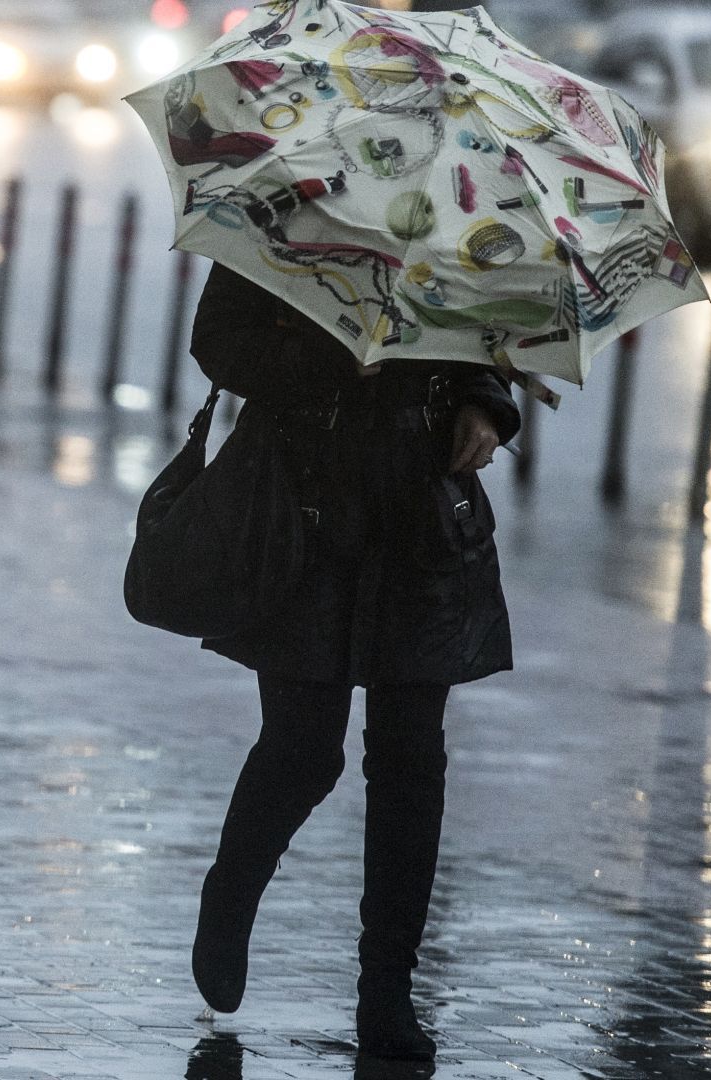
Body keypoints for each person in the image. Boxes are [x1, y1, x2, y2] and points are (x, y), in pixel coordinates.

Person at [186, 263, 520, 1061]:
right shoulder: (290, 197)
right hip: (304, 510)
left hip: (424, 511)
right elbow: (220, 341)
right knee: (303, 749)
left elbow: (484, 334)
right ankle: (231, 893)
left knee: (411, 759)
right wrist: (334, 362)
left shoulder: (466, 212)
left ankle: (387, 988)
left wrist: (486, 403)